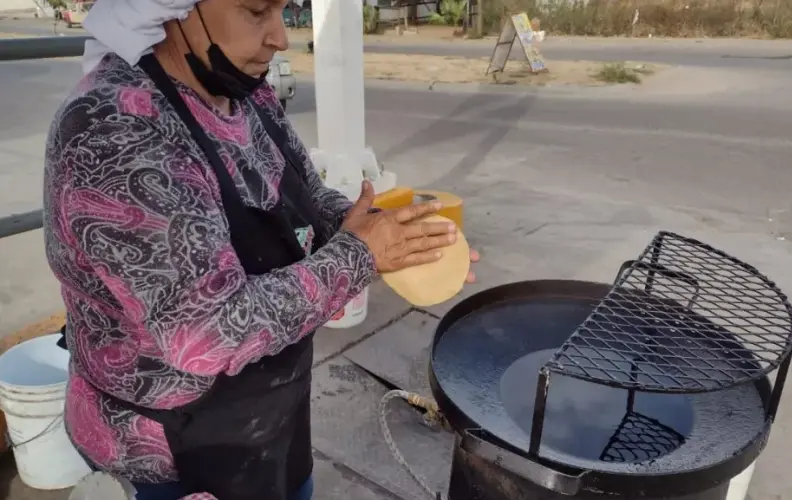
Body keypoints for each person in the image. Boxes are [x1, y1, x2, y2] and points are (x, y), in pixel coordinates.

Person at [42, 0, 479, 499]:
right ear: (178, 9)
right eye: (256, 11)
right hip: (169, 451)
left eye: (284, 9)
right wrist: (360, 256)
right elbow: (205, 330)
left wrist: (395, 236)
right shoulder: (114, 130)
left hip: (267, 412)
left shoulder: (240, 90)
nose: (280, 37)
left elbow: (305, 194)